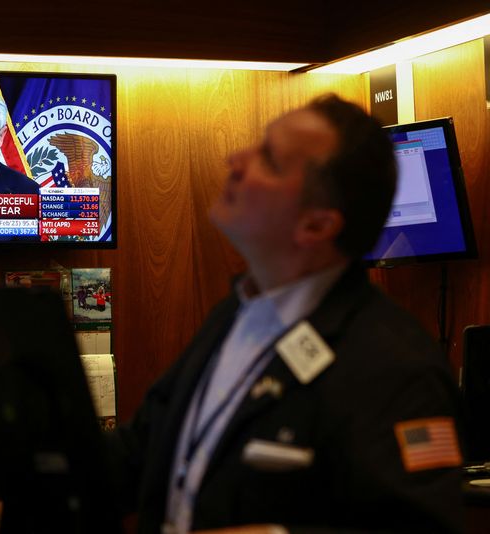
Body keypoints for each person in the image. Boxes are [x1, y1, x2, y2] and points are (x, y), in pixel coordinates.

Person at [105, 95, 465, 533]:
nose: (235, 160)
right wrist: (33, 500)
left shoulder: (393, 362)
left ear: (316, 226)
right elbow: (145, 446)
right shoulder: (234, 313)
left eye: (269, 160)